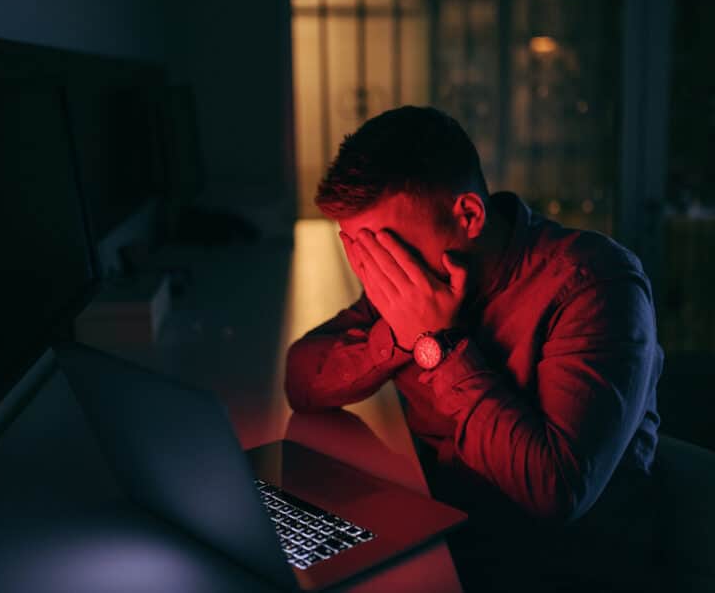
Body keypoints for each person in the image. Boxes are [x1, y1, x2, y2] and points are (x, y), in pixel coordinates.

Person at [285, 106, 664, 591]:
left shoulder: (596, 285)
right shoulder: (409, 280)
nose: (375, 271)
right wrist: (402, 335)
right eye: (359, 251)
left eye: (384, 249)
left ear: (468, 215)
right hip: (446, 533)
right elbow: (301, 381)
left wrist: (440, 346)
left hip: (560, 569)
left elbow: (555, 493)